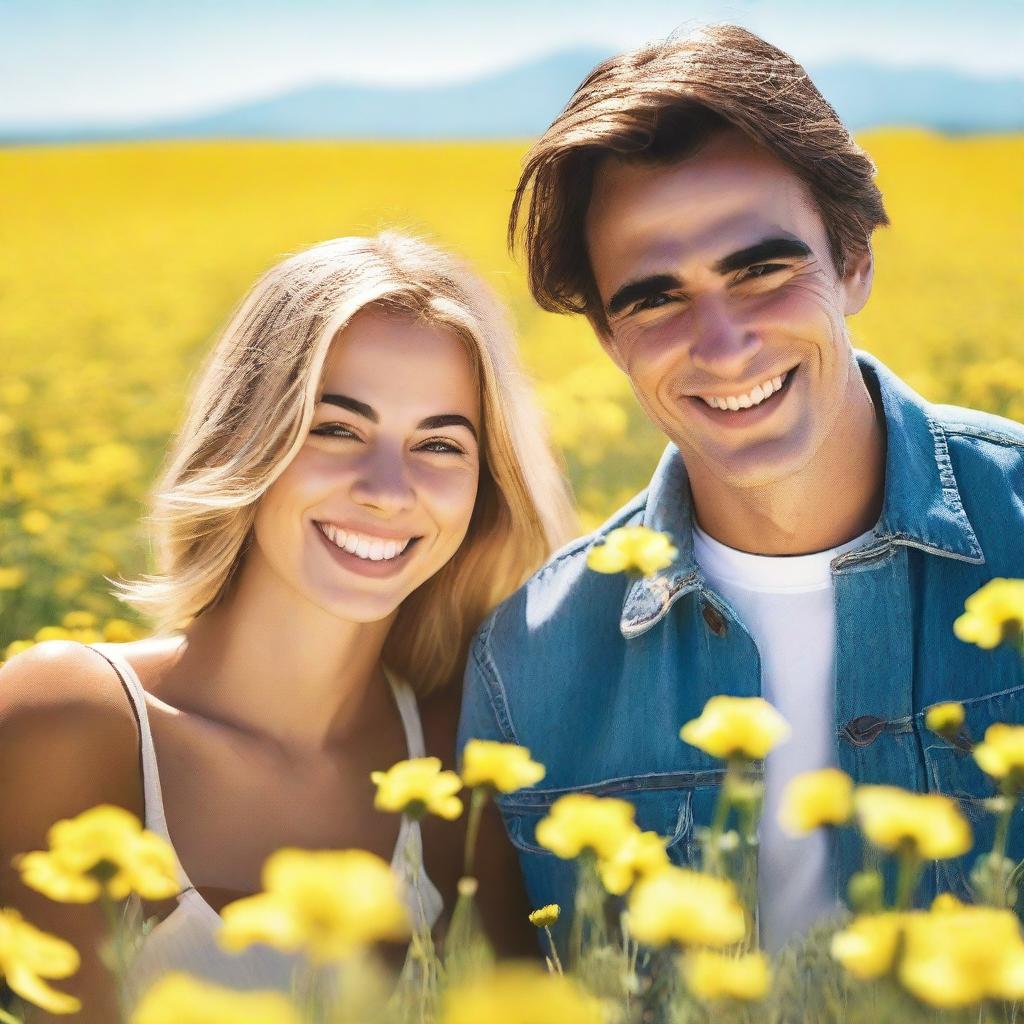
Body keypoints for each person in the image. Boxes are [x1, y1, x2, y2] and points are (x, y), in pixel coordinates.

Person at [458, 24, 1024, 952]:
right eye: (654, 297)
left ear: (853, 261)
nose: (723, 346)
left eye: (761, 268)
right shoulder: (526, 667)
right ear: (609, 339)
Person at [0, 232, 576, 1020]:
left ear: (485, 489)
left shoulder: (461, 755)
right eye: (336, 427)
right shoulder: (68, 719)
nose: (387, 489)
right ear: (249, 434)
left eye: (439, 444)